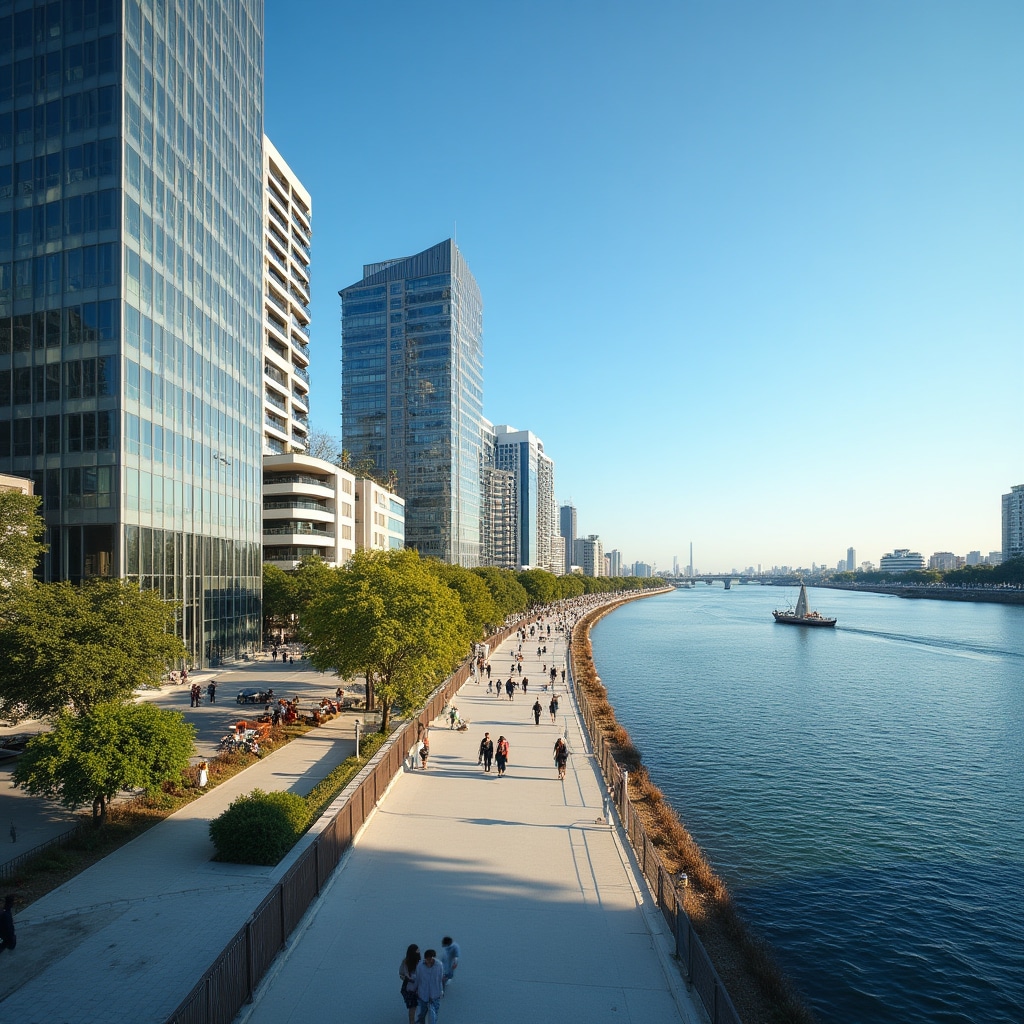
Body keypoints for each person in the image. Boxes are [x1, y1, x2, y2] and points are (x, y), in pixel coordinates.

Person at [412, 948, 444, 1024]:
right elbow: (418, 979)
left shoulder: (439, 965)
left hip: (435, 994)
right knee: (422, 1014)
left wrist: (441, 990)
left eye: (431, 959)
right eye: (427, 959)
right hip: (423, 994)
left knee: (434, 1014)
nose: (429, 961)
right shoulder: (420, 966)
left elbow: (440, 979)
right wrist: (414, 989)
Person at [399, 944, 421, 1024]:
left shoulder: (420, 962)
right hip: (409, 989)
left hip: (418, 987)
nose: (419, 952)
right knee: (412, 1007)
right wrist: (407, 978)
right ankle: (412, 1022)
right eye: (417, 951)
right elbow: (401, 974)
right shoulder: (405, 962)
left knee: (419, 1005)